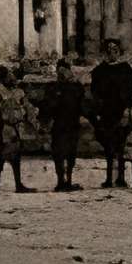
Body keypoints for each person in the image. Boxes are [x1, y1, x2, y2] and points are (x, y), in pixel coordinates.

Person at [89, 36, 132, 188]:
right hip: (106, 113)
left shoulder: (125, 69)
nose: (112, 54)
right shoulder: (99, 71)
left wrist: (128, 110)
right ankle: (110, 178)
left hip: (121, 112)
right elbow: (95, 93)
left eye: (115, 50)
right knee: (109, 147)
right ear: (104, 53)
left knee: (121, 146)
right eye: (108, 51)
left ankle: (121, 178)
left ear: (119, 52)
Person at [39, 56, 86, 191]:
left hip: (72, 124)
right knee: (58, 154)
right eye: (60, 71)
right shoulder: (53, 88)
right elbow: (47, 107)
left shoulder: (76, 87)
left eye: (65, 70)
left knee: (71, 153)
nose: (62, 73)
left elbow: (82, 105)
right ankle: (60, 181)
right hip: (59, 125)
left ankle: (69, 180)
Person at [0, 64, 32, 194]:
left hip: (15, 128)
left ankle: (18, 185)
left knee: (16, 158)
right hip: (4, 128)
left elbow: (25, 106)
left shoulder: (16, 90)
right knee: (0, 159)